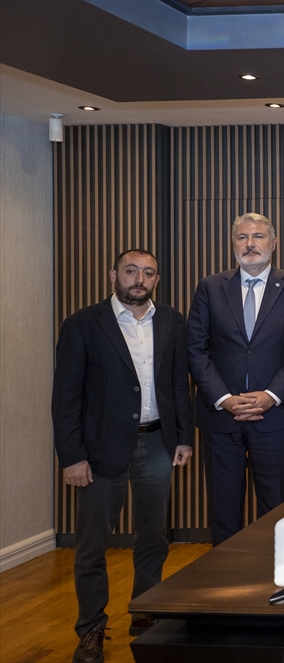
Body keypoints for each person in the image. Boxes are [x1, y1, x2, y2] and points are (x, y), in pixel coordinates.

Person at [52, 250, 193, 663]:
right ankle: (91, 629)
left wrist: (183, 437)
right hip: (98, 451)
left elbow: (178, 384)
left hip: (156, 444)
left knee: (153, 538)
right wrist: (71, 456)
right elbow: (65, 398)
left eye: (148, 273)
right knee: (91, 547)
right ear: (114, 274)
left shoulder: (170, 320)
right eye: (131, 271)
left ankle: (145, 615)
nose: (139, 279)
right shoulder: (82, 324)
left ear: (157, 279)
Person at [187, 212, 284, 545]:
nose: (250, 244)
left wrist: (271, 395)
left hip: (273, 415)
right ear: (233, 244)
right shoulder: (210, 287)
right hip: (220, 416)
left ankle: (270, 575)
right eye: (242, 238)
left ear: (273, 243)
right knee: (222, 507)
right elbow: (196, 349)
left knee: (274, 505)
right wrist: (225, 399)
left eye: (258, 236)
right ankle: (224, 582)